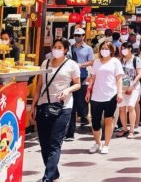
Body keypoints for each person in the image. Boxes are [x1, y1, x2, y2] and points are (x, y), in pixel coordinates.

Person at [35, 38, 80, 182]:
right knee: (44, 143)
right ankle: (54, 173)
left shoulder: (72, 65)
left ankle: (47, 178)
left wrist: (67, 90)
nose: (57, 49)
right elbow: (39, 85)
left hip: (63, 107)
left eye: (60, 47)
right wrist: (34, 105)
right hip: (44, 105)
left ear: (66, 49)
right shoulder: (45, 63)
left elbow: (77, 84)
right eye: (55, 46)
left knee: (55, 143)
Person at [87, 41, 124, 155]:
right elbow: (92, 77)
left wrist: (119, 93)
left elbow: (119, 79)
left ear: (111, 50)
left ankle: (106, 144)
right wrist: (88, 90)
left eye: (106, 48)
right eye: (102, 48)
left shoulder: (115, 62)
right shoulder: (96, 62)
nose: (104, 50)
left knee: (109, 120)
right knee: (95, 122)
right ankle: (98, 143)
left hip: (110, 95)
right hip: (96, 95)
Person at [66, 28, 94, 139]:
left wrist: (81, 65)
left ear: (83, 36)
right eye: (75, 35)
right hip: (71, 77)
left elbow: (91, 61)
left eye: (79, 35)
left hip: (82, 77)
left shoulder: (88, 49)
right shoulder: (70, 48)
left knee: (81, 102)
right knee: (71, 104)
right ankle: (70, 131)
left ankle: (84, 116)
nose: (77, 37)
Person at [117, 41, 141, 139]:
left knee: (131, 106)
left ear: (130, 49)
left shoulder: (136, 59)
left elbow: (139, 74)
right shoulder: (120, 60)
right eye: (122, 48)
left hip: (134, 86)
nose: (123, 50)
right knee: (122, 107)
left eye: (125, 48)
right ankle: (124, 128)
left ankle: (132, 130)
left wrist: (132, 85)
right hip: (122, 87)